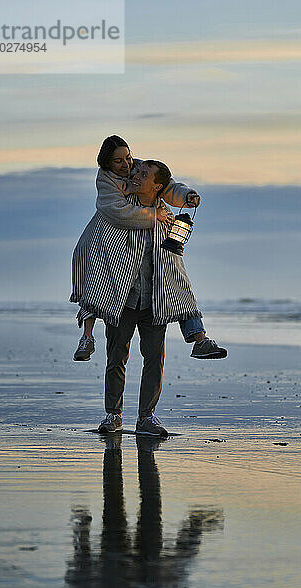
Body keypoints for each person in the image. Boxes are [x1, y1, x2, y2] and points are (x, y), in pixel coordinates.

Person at [70, 135, 227, 362]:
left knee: (176, 279)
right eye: (118, 161)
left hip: (141, 238)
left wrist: (187, 196)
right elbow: (118, 213)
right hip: (102, 239)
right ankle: (87, 336)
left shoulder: (139, 168)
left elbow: (167, 185)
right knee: (97, 283)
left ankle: (200, 339)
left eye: (128, 157)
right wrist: (154, 215)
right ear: (106, 163)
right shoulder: (105, 180)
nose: (127, 165)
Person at [90, 160, 204, 435]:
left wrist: (187, 197)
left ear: (157, 186)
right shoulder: (123, 206)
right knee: (116, 356)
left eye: (143, 175)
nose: (135, 175)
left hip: (155, 299)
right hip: (122, 296)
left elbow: (173, 187)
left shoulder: (167, 217)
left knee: (154, 358)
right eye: (136, 172)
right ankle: (112, 416)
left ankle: (146, 417)